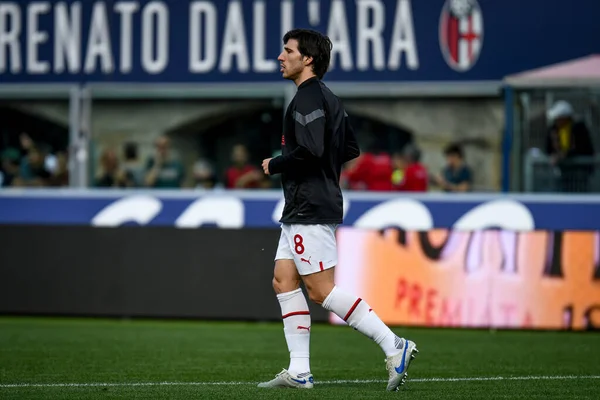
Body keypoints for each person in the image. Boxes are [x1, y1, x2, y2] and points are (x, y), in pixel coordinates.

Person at [259, 29, 419, 392]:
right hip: (306, 203)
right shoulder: (329, 98)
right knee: (283, 280)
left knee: (320, 290)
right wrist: (322, 165)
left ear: (307, 59)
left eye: (288, 51)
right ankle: (299, 370)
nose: (281, 57)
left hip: (310, 204)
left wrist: (278, 163)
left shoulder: (306, 99)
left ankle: (394, 345)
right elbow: (349, 148)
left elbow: (313, 150)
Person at [545, 100, 594, 192]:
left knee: (579, 191)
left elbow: (583, 148)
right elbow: (549, 148)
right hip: (562, 172)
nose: (557, 121)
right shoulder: (553, 131)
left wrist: (565, 155)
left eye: (559, 118)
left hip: (579, 173)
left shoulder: (579, 129)